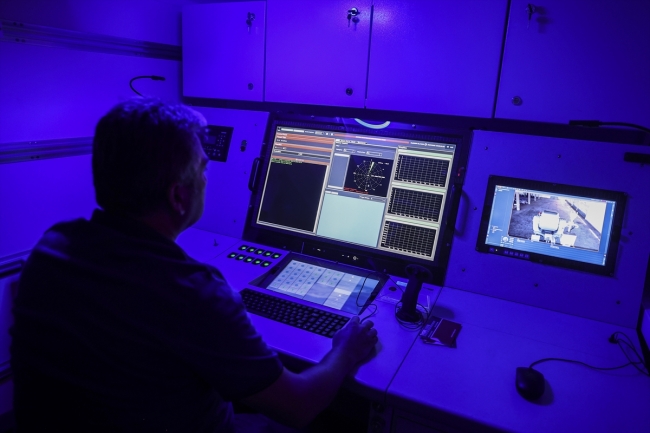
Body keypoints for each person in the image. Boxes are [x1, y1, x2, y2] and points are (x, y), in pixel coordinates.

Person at [10, 98, 378, 432]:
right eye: (203, 169)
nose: (205, 179)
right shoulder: (193, 293)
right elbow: (299, 406)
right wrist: (345, 350)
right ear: (178, 196)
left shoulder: (51, 250)